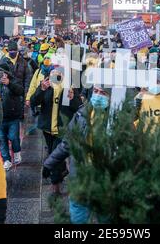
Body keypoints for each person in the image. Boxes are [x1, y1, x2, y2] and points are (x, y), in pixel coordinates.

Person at [43, 85, 109, 224]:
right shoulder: (82, 114)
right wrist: (49, 163)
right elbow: (67, 143)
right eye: (96, 91)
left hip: (105, 181)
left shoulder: (116, 118)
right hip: (80, 177)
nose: (98, 95)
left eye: (103, 93)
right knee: (78, 216)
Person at [30, 67, 82, 195]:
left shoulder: (69, 88)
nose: (55, 77)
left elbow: (78, 108)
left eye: (58, 75)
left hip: (62, 130)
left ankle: (55, 185)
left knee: (54, 155)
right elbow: (33, 102)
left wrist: (73, 98)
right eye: (52, 75)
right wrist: (41, 90)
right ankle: (62, 170)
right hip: (47, 129)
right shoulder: (46, 87)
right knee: (56, 155)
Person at [0, 61, 24, 171]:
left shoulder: (14, 81)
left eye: (3, 73)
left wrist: (9, 83)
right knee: (2, 139)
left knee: (14, 137)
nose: (0, 75)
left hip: (13, 117)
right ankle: (6, 160)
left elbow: (20, 91)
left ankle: (17, 151)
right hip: (0, 118)